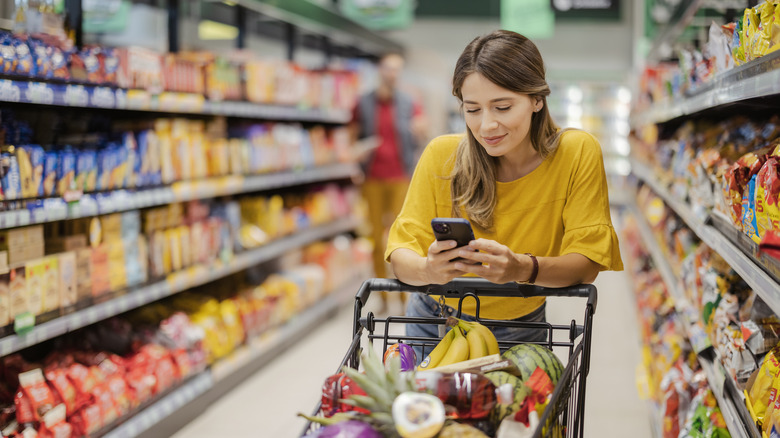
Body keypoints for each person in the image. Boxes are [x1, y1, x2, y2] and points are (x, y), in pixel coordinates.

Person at [384, 30, 624, 362]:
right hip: (431, 323)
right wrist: (429, 270)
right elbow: (400, 254)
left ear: (537, 99)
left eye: (502, 107)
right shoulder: (441, 156)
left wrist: (520, 268)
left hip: (520, 330)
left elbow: (586, 265)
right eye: (473, 109)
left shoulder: (576, 153)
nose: (486, 126)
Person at [352, 51, 427, 311]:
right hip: (372, 177)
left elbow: (421, 129)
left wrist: (420, 130)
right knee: (374, 237)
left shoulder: (409, 102)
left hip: (400, 177)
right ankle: (382, 296)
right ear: (379, 71)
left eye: (397, 69)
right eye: (388, 68)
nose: (392, 74)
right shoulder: (363, 102)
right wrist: (356, 153)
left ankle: (405, 296)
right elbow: (352, 135)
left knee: (402, 239)